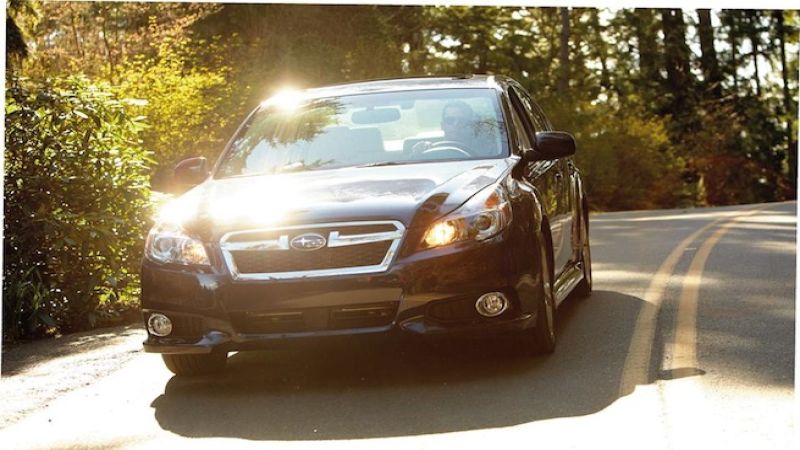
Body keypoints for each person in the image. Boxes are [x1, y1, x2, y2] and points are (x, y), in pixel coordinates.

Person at [411, 101, 496, 157]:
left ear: (470, 125)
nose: (456, 124)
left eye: (462, 120)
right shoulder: (426, 150)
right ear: (442, 125)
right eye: (450, 120)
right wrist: (417, 153)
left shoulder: (487, 153)